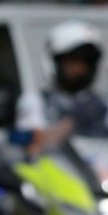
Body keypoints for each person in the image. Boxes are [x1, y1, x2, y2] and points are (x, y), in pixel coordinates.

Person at [18, 20, 108, 156]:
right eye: (72, 61)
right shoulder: (36, 101)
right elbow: (32, 147)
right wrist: (72, 122)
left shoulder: (100, 104)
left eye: (86, 62)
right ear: (55, 62)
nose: (80, 69)